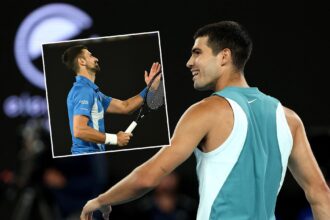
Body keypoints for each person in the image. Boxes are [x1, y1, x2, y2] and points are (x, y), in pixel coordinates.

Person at [80, 21, 330, 219]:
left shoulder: (206, 111)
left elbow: (148, 177)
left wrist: (101, 200)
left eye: (197, 53)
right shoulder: (289, 118)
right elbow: (319, 193)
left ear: (224, 57)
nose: (189, 62)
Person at [62, 45, 161, 154]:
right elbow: (79, 130)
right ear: (82, 61)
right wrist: (115, 139)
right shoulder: (83, 91)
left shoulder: (93, 92)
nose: (96, 59)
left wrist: (150, 88)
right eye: (91, 56)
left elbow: (126, 107)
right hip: (85, 155)